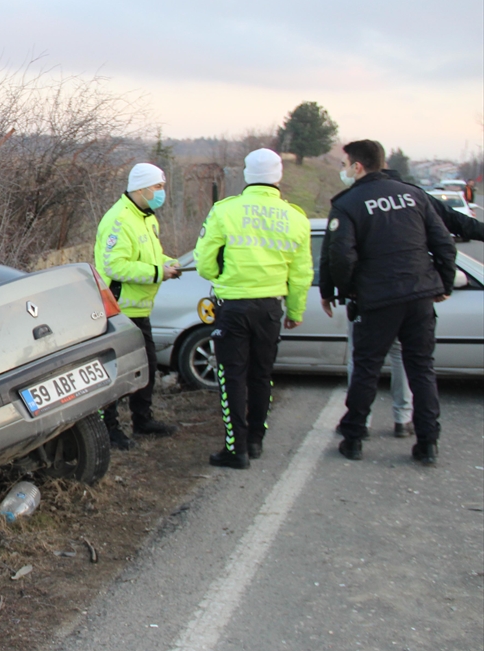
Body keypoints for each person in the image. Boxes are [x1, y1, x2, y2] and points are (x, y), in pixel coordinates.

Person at [320, 144, 482, 438]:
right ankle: (427, 441)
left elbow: (339, 255)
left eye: (344, 164)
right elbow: (445, 243)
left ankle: (354, 436)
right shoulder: (414, 195)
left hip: (378, 300)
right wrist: (443, 285)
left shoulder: (349, 202)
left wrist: (344, 292)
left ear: (358, 167)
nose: (342, 170)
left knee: (366, 368)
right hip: (419, 297)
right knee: (421, 370)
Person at [195, 148, 312, 469]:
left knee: (232, 377)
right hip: (271, 310)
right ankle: (257, 441)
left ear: (247, 175)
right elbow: (302, 275)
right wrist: (296, 311)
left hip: (233, 307)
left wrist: (221, 277)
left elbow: (204, 262)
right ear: (278, 177)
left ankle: (237, 449)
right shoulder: (296, 217)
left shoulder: (225, 210)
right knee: (261, 376)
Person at [93, 162, 182, 449]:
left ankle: (143, 420)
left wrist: (166, 263)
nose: (161, 193)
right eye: (157, 187)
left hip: (140, 309)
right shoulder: (119, 219)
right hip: (120, 310)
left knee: (147, 366)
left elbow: (148, 255)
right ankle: (110, 428)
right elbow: (114, 265)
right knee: (117, 372)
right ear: (141, 188)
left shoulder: (146, 218)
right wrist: (158, 273)